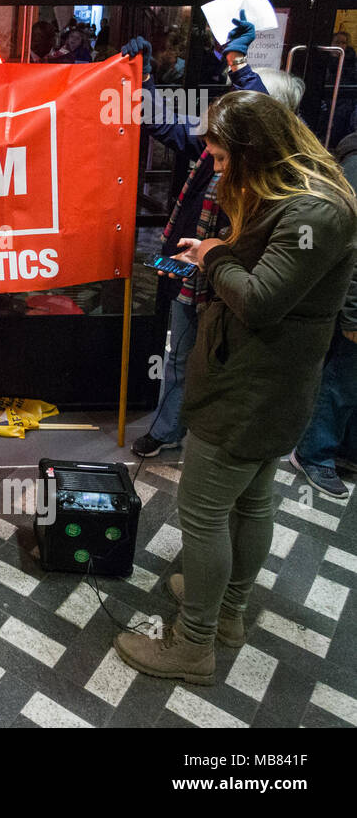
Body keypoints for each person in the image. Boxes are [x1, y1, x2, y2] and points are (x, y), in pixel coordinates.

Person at [114, 91, 357, 684]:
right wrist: (217, 252)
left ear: (254, 150)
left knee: (203, 516)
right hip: (261, 384)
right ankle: (227, 613)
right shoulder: (296, 197)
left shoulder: (313, 213)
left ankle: (193, 644)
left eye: (222, 160)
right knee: (250, 502)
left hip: (252, 390)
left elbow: (261, 300)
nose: (216, 171)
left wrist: (214, 255)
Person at [124, 13, 269, 458]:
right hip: (188, 264)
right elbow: (160, 124)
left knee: (212, 356)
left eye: (219, 150)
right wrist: (144, 77)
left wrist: (238, 62)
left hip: (228, 276)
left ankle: (208, 431)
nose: (210, 154)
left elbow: (255, 110)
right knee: (181, 352)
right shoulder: (210, 146)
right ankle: (170, 430)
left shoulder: (257, 157)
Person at [289, 124, 357, 498]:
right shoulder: (355, 161)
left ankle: (343, 448)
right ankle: (316, 452)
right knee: (343, 378)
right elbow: (351, 245)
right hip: (348, 299)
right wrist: (352, 312)